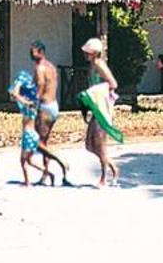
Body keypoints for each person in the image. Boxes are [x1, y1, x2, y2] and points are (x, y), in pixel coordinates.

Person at [78, 35, 125, 187]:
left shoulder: (99, 65)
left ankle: (106, 176)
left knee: (99, 144)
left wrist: (95, 92)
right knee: (90, 144)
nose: (85, 54)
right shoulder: (92, 66)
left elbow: (113, 83)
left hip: (103, 109)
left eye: (88, 52)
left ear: (94, 53)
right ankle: (111, 167)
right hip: (97, 108)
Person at [10, 68, 67, 187]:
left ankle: (28, 182)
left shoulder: (27, 104)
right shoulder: (33, 104)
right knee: (30, 159)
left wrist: (19, 94)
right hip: (32, 134)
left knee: (24, 160)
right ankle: (49, 173)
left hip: (28, 134)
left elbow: (15, 94)